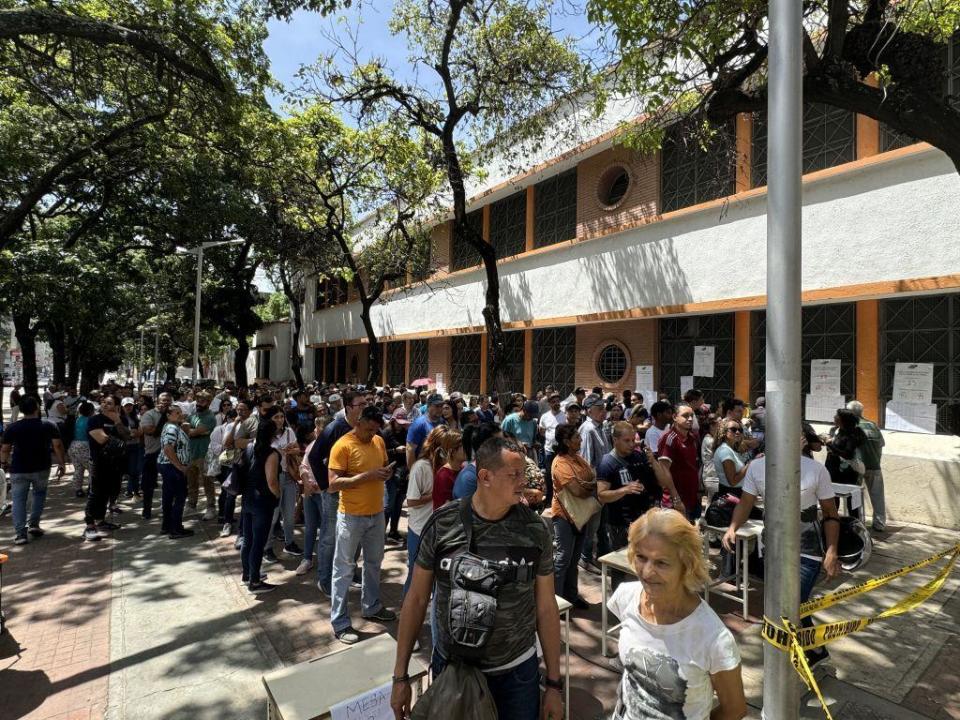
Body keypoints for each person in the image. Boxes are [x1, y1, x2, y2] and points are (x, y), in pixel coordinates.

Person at [391, 437, 563, 720]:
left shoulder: (535, 530)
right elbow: (417, 598)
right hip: (452, 670)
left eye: (524, 473)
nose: (524, 481)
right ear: (485, 477)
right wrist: (400, 677)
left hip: (516, 675)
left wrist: (554, 684)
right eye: (514, 475)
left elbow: (545, 607)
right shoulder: (443, 523)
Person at [611, 509, 746, 720]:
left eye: (661, 563)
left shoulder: (712, 638)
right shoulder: (626, 598)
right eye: (641, 557)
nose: (647, 572)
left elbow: (735, 709)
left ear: (687, 566)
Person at [724, 425, 840, 667]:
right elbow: (745, 503)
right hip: (773, 549)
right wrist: (732, 527)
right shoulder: (757, 467)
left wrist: (831, 551)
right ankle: (814, 652)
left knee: (791, 604)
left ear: (801, 441)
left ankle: (796, 658)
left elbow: (830, 512)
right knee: (785, 606)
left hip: (808, 551)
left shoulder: (816, 470)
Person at [328, 405, 398, 643]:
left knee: (374, 563)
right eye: (369, 428)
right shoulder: (343, 445)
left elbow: (382, 465)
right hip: (351, 516)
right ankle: (340, 622)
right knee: (344, 569)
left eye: (376, 429)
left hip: (376, 515)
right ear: (358, 421)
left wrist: (385, 474)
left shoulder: (378, 441)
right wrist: (366, 477)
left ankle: (372, 606)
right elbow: (333, 484)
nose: (372, 433)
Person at [305, 390, 365, 596]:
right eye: (361, 404)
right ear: (348, 408)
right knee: (330, 536)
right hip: (334, 493)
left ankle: (350, 573)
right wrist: (325, 485)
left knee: (355, 535)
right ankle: (325, 579)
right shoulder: (334, 428)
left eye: (367, 404)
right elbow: (314, 457)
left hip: (358, 492)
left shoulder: (366, 429)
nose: (365, 408)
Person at [597, 421, 677, 561]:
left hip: (645, 521)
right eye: (627, 441)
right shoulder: (607, 463)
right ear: (615, 440)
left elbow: (663, 483)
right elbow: (601, 495)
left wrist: (653, 461)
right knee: (621, 565)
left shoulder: (639, 456)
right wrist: (624, 490)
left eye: (633, 440)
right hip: (620, 526)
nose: (632, 444)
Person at [0, 396, 66, 544]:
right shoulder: (49, 425)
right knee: (39, 495)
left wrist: (4, 463)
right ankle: (34, 524)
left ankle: (20, 534)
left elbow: (5, 449)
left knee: (18, 500)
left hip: (18, 469)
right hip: (41, 468)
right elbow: (58, 446)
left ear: (21, 410)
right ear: (37, 408)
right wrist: (62, 464)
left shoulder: (13, 427)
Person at [550, 424, 596, 608]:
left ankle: (571, 596)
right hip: (564, 516)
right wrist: (589, 485)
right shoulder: (560, 463)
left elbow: (592, 476)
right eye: (577, 437)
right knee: (563, 559)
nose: (581, 439)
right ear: (566, 442)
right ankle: (556, 602)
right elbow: (577, 490)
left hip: (581, 515)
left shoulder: (578, 458)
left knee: (574, 559)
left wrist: (587, 484)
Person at [241, 406, 284, 593]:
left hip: (248, 498)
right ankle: (255, 581)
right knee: (258, 542)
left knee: (248, 540)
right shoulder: (271, 454)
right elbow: (272, 481)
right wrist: (277, 495)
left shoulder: (249, 448)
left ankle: (248, 574)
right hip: (262, 501)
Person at [403, 425, 448, 595]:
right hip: (419, 530)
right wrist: (434, 495)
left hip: (438, 528)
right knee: (415, 576)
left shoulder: (444, 466)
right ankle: (407, 617)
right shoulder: (420, 467)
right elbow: (412, 500)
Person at [85, 396, 130, 541]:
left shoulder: (120, 420)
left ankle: (101, 520)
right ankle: (90, 525)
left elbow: (127, 436)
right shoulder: (95, 420)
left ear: (117, 406)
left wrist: (117, 422)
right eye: (103, 402)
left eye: (109, 403)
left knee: (110, 492)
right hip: (99, 462)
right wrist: (119, 441)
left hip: (116, 463)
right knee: (96, 493)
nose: (104, 404)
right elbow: (101, 439)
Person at [578, 395, 612, 571]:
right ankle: (585, 558)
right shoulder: (588, 429)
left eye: (603, 408)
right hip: (595, 485)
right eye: (599, 409)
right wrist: (593, 487)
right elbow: (587, 461)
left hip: (604, 484)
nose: (603, 411)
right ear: (589, 411)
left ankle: (596, 556)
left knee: (600, 524)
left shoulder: (601, 427)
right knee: (591, 524)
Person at [847, 399, 886, 531]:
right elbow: (881, 444)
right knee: (878, 495)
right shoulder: (873, 425)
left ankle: (857, 522)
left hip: (857, 467)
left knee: (855, 495)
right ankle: (880, 523)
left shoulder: (852, 427)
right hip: (875, 465)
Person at [824, 408, 867, 518]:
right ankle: (834, 522)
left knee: (852, 502)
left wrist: (830, 445)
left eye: (837, 416)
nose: (834, 417)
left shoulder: (851, 435)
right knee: (833, 499)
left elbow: (847, 454)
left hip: (847, 473)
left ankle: (855, 525)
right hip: (833, 471)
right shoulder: (836, 431)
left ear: (843, 420)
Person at [656, 405, 697, 521]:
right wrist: (676, 499)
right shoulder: (669, 438)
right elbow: (664, 471)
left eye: (691, 416)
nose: (689, 419)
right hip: (674, 503)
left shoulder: (692, 438)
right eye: (685, 416)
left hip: (691, 499)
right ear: (674, 417)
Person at [158, 404, 193, 539]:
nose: (180, 415)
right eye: (176, 413)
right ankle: (175, 529)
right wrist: (179, 466)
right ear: (168, 415)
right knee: (179, 497)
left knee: (168, 497)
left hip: (168, 466)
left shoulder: (174, 427)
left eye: (180, 412)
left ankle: (167, 526)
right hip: (171, 467)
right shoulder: (172, 428)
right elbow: (168, 448)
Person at [185, 391, 218, 519]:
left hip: (204, 453)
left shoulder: (210, 417)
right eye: (198, 400)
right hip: (191, 453)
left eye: (202, 400)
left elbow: (193, 432)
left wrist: (193, 431)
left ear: (208, 403)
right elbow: (183, 429)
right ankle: (191, 505)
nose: (199, 403)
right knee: (191, 482)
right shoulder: (193, 415)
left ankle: (211, 507)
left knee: (207, 482)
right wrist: (193, 431)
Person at [452, 422, 502, 500]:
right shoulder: (469, 478)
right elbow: (465, 510)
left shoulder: (499, 470)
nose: (505, 447)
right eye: (499, 443)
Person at [383, 408, 411, 543]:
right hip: (390, 473)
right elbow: (381, 453)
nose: (400, 425)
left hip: (404, 472)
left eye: (403, 422)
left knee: (399, 504)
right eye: (398, 422)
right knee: (389, 505)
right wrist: (395, 450)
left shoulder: (407, 433)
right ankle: (380, 533)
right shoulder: (386, 434)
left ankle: (393, 531)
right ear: (393, 421)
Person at [138, 393, 169, 519]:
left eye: (168, 400)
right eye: (163, 400)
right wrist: (165, 418)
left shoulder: (173, 413)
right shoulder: (149, 414)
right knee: (148, 484)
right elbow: (150, 431)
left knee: (169, 483)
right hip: (152, 453)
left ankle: (167, 508)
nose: (165, 402)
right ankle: (147, 509)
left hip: (168, 453)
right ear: (157, 400)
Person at [538, 391, 566, 508]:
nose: (556, 403)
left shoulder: (564, 416)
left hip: (561, 451)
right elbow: (541, 430)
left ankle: (561, 499)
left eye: (558, 401)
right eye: (553, 402)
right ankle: (549, 499)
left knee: (561, 475)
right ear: (549, 403)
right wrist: (550, 439)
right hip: (549, 451)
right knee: (549, 476)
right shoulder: (545, 416)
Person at [713, 417, 752, 494]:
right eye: (733, 429)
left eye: (740, 430)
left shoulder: (731, 449)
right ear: (724, 432)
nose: (737, 432)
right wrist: (749, 465)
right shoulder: (725, 451)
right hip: (731, 494)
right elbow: (733, 482)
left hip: (736, 492)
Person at [64, 401, 95, 498]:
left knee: (78, 469)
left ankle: (78, 490)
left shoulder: (76, 420)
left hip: (73, 445)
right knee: (92, 469)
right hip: (85, 445)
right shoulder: (91, 421)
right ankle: (91, 489)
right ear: (91, 411)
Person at [406, 393, 444, 468]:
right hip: (422, 468)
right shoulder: (418, 424)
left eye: (441, 406)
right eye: (437, 406)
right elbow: (410, 450)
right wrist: (412, 471)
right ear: (428, 406)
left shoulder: (443, 423)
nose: (440, 409)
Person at [432, 428, 464, 509]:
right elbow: (443, 509)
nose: (467, 450)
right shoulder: (443, 476)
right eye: (463, 447)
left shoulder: (463, 469)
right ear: (452, 451)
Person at [120, 397, 144, 499]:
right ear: (122, 407)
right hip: (123, 447)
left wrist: (134, 433)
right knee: (125, 470)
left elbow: (139, 431)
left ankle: (133, 490)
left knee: (134, 470)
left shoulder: (137, 417)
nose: (128, 407)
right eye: (126, 406)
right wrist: (131, 433)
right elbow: (122, 432)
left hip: (135, 446)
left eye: (130, 405)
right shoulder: (119, 418)